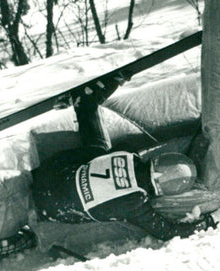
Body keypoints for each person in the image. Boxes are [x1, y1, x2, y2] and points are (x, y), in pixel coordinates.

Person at [31, 88, 210, 241]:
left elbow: (123, 150)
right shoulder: (136, 204)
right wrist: (207, 222)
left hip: (45, 173)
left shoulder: (128, 156)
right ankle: (86, 102)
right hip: (48, 207)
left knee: (99, 151)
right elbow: (167, 232)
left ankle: (86, 102)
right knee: (98, 157)